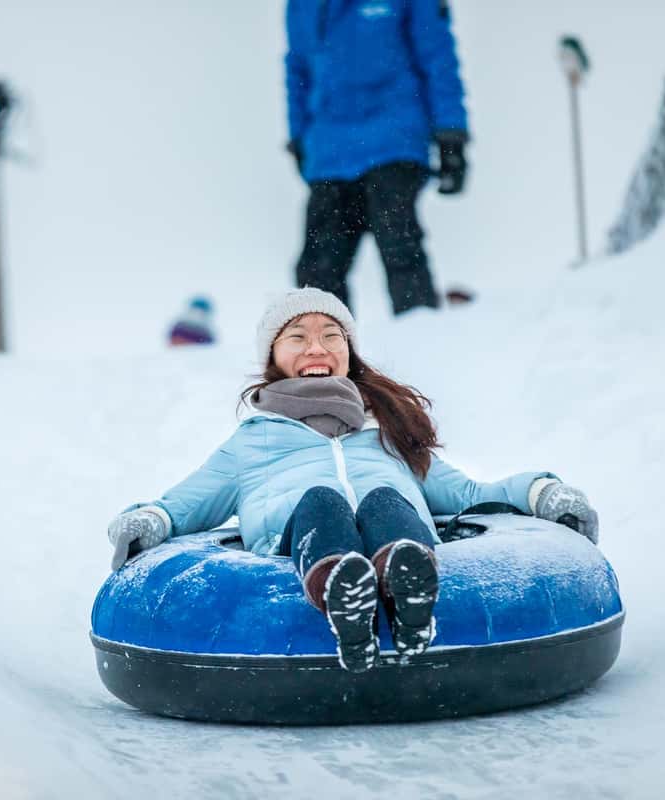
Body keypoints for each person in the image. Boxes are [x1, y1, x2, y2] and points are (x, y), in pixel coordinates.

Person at [107, 288, 599, 673]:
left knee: (386, 498)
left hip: (399, 534)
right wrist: (146, 521)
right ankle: (342, 589)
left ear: (349, 351)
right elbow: (185, 504)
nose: (316, 347)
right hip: (295, 545)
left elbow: (472, 495)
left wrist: (542, 490)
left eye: (332, 335)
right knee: (321, 500)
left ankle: (407, 587)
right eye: (297, 336)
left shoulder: (386, 431)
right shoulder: (252, 442)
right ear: (274, 357)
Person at [284, 0, 472, 315]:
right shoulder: (301, 5)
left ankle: (422, 345)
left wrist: (451, 132)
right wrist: (299, 135)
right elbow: (297, 68)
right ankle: (328, 359)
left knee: (400, 248)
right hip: (329, 150)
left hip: (393, 139)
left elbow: (437, 55)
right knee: (317, 271)